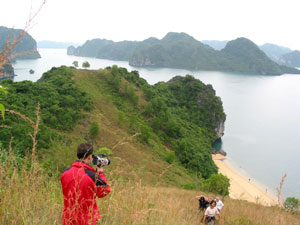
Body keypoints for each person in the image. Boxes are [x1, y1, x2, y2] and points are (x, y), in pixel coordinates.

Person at [61, 143, 111, 225]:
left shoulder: (65, 173)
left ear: (77, 155)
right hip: (87, 220)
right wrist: (100, 172)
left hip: (68, 219)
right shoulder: (92, 176)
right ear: (90, 157)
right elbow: (104, 192)